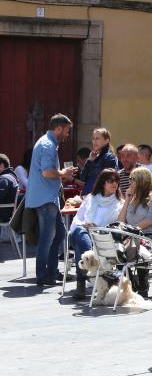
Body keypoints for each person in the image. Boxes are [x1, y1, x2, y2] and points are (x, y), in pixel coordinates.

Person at [25, 114, 78, 286]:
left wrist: (63, 174)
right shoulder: (48, 145)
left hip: (47, 198)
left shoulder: (46, 143)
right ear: (59, 128)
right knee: (47, 238)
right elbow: (47, 172)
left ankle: (51, 272)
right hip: (46, 199)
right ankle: (43, 275)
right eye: (67, 131)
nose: (67, 135)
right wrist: (63, 173)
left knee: (59, 234)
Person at [69, 169, 123, 300]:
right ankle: (88, 260)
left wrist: (97, 228)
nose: (114, 183)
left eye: (116, 181)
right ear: (102, 183)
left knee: (80, 244)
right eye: (110, 181)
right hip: (83, 233)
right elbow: (77, 219)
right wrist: (85, 224)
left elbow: (118, 226)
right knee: (79, 232)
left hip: (103, 239)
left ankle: (81, 281)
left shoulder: (119, 203)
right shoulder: (90, 198)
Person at [118, 167, 152, 297]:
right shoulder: (133, 198)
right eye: (129, 179)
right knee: (118, 249)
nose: (130, 182)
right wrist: (127, 200)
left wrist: (131, 232)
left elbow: (151, 220)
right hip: (134, 235)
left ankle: (143, 285)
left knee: (138, 245)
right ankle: (133, 283)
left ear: (142, 181)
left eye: (132, 179)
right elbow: (121, 221)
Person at [80, 127, 118, 195]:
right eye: (93, 139)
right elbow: (83, 178)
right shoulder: (94, 157)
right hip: (89, 197)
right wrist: (89, 161)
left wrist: (92, 163)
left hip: (101, 198)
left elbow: (106, 178)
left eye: (97, 139)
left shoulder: (110, 157)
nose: (94, 141)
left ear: (107, 140)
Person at [0, 153, 19, 222]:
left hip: (3, 213)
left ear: (1, 166)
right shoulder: (10, 176)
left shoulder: (4, 179)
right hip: (6, 211)